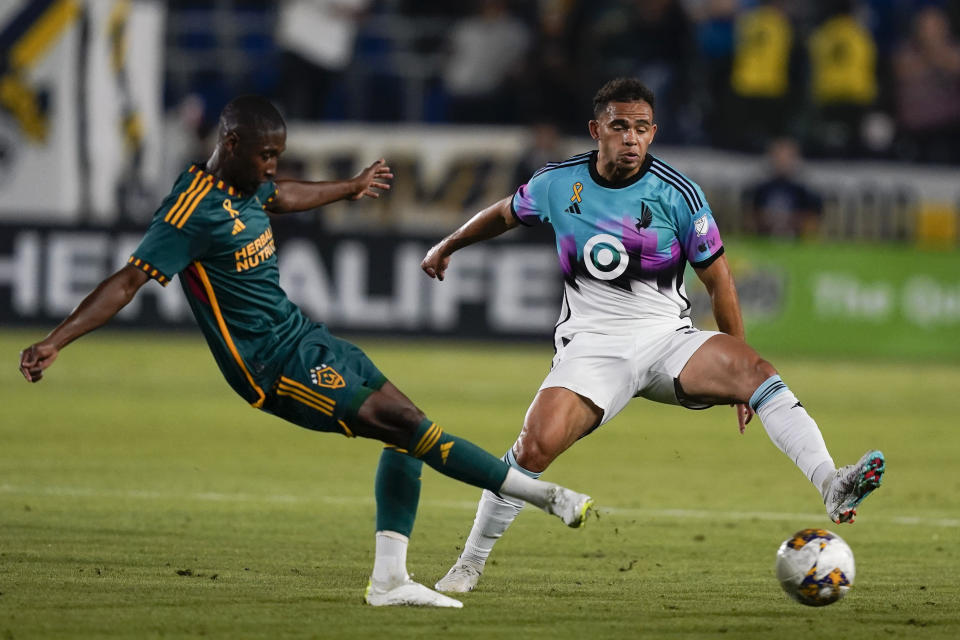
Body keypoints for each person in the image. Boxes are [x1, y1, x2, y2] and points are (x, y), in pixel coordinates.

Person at [18, 95, 594, 608]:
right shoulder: (190, 210)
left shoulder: (247, 187)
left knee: (409, 428)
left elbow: (283, 196)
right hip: (268, 366)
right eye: (266, 154)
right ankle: (546, 497)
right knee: (403, 424)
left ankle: (390, 582)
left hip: (304, 336)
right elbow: (127, 280)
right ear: (232, 143)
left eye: (278, 154)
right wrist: (55, 339)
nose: (272, 166)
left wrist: (349, 186)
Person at [421, 78, 885, 594]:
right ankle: (469, 563)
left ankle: (832, 485)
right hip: (593, 346)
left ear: (653, 132)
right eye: (620, 127)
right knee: (533, 448)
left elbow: (719, 281)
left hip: (668, 338)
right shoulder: (558, 183)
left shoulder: (679, 194)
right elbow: (505, 213)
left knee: (761, 374)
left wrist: (739, 367)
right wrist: (448, 245)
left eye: (641, 128)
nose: (631, 138)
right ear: (597, 130)